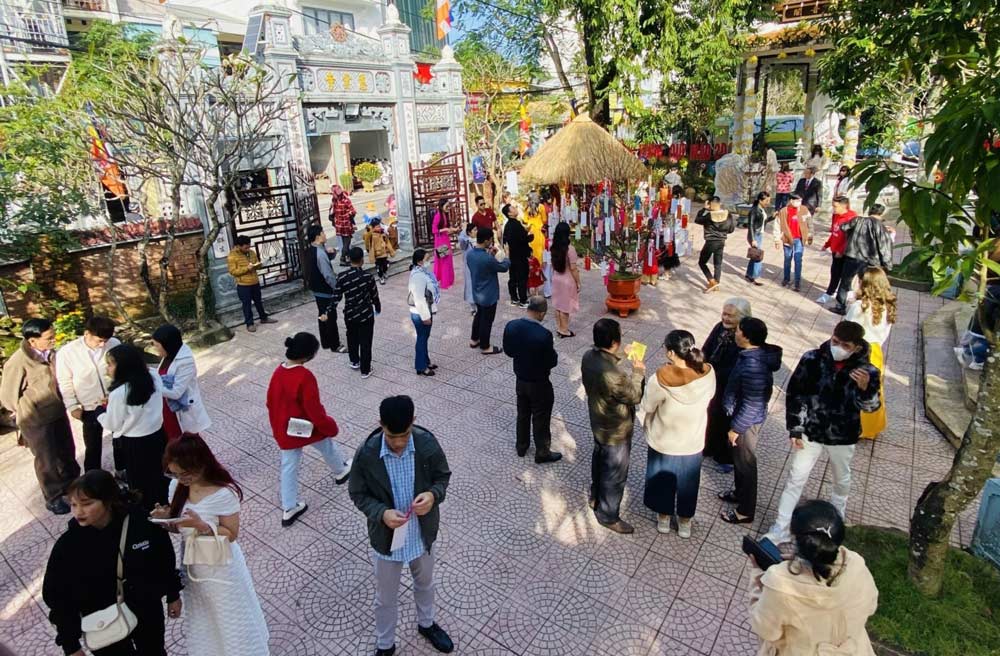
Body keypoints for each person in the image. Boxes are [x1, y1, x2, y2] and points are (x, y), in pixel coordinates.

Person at [348, 396, 454, 656]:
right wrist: (381, 513)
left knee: (425, 583)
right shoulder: (367, 453)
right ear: (380, 424)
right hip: (387, 539)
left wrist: (432, 495)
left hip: (421, 533)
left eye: (404, 435)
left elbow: (443, 477)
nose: (398, 443)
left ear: (413, 423)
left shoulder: (427, 444)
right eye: (391, 435)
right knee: (385, 598)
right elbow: (358, 494)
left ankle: (427, 624)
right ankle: (385, 644)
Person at [153, 434, 269, 655]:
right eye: (174, 473)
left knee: (231, 615)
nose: (180, 478)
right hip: (193, 562)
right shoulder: (176, 487)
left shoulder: (224, 493)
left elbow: (231, 533)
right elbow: (180, 525)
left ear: (201, 464)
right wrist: (166, 518)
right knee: (204, 613)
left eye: (184, 473)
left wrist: (202, 526)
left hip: (221, 567)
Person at [43, 470, 181, 656]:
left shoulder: (139, 524)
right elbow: (58, 597)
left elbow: (163, 558)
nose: (78, 511)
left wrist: (172, 593)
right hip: (102, 623)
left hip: (146, 612)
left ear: (108, 500)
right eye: (74, 505)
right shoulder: (68, 546)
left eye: (87, 503)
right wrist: (71, 645)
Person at [766, 321, 881, 544]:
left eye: (844, 345)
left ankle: (837, 521)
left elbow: (871, 407)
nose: (836, 347)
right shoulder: (812, 359)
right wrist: (796, 428)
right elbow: (796, 394)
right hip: (811, 430)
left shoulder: (867, 371)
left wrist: (866, 389)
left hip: (842, 435)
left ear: (856, 347)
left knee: (841, 478)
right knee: (796, 477)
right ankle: (780, 527)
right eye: (835, 341)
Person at [749, 500, 879, 655]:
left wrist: (759, 578)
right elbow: (871, 606)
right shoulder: (856, 563)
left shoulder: (780, 583)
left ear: (795, 537)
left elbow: (765, 630)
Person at [266, 333, 352, 526]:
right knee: (326, 445)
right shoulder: (305, 376)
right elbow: (314, 409)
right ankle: (340, 470)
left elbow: (269, 401)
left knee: (289, 467)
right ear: (308, 356)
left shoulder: (278, 371)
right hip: (306, 426)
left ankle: (290, 507)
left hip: (284, 427)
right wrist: (329, 426)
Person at [639, 329, 714, 539]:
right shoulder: (708, 372)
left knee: (662, 479)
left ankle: (663, 517)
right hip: (693, 440)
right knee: (688, 482)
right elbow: (711, 394)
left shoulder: (660, 378)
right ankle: (685, 522)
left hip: (665, 440)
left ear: (671, 353)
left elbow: (647, 405)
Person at [1, 318, 81, 513]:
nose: (53, 340)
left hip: (56, 411)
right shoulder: (18, 362)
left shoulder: (52, 354)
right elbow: (7, 396)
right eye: (49, 338)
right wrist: (29, 407)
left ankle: (73, 485)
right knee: (46, 458)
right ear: (32, 341)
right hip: (35, 418)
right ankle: (53, 496)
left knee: (66, 450)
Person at [581, 319, 646, 534]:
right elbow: (634, 396)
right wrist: (638, 373)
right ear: (615, 341)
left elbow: (606, 374)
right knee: (615, 474)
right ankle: (608, 515)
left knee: (599, 460)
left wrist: (619, 357)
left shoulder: (589, 356)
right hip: (615, 429)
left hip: (598, 422)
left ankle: (595, 497)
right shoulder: (613, 375)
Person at [719, 317, 782, 524]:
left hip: (745, 422)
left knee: (746, 464)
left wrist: (736, 428)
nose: (734, 332)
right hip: (742, 417)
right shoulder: (751, 355)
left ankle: (745, 511)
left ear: (746, 336)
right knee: (739, 460)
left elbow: (753, 402)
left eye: (738, 330)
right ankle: (739, 493)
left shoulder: (753, 366)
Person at [98, 344, 168, 511]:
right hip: (158, 435)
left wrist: (99, 413)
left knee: (140, 481)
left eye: (111, 364)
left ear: (123, 366)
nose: (107, 368)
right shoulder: (152, 375)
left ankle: (148, 510)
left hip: (135, 443)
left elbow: (112, 424)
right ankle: (164, 502)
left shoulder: (120, 392)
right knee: (158, 473)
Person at [55, 316, 120, 473]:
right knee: (93, 446)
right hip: (89, 406)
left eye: (106, 340)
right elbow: (65, 381)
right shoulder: (67, 353)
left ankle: (121, 471)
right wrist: (72, 406)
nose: (102, 345)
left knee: (119, 440)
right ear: (86, 334)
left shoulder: (115, 344)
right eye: (99, 340)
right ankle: (92, 478)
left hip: (115, 401)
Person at [503, 297, 561, 463]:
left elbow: (508, 351)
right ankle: (542, 452)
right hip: (539, 383)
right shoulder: (544, 335)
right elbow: (552, 361)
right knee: (540, 417)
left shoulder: (511, 326)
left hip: (520, 378)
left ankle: (521, 446)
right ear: (541, 313)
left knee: (523, 413)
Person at [702, 299, 751, 473]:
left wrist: (713, 372)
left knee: (726, 420)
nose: (725, 318)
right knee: (711, 415)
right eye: (724, 313)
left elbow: (738, 366)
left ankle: (725, 457)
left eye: (730, 315)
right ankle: (708, 447)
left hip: (730, 386)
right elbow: (707, 348)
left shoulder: (745, 335)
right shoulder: (719, 327)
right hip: (712, 379)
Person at [847, 267, 896, 439]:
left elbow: (847, 331)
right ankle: (871, 427)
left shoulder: (859, 307)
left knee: (853, 385)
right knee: (873, 387)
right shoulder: (886, 306)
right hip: (876, 351)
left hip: (859, 351)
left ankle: (854, 425)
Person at [325, 247, 381, 378]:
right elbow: (374, 295)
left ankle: (354, 361)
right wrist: (377, 307)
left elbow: (336, 296)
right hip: (365, 314)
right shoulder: (368, 277)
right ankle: (365, 369)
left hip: (350, 313)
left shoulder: (342, 277)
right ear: (362, 260)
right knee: (366, 341)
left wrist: (328, 310)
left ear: (349, 259)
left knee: (352, 337)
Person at [832, 203, 894, 315]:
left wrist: (851, 233)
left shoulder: (858, 220)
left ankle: (840, 306)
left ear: (870, 211)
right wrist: (887, 264)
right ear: (881, 213)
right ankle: (864, 306)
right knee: (867, 284)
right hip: (869, 260)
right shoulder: (881, 227)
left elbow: (843, 227)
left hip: (852, 256)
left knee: (845, 281)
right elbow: (884, 247)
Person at [151, 325, 211, 440]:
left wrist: (152, 384)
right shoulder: (168, 355)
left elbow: (176, 392)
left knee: (184, 445)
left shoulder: (185, 361)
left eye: (157, 346)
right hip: (166, 407)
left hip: (179, 409)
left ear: (167, 344)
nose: (156, 349)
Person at [466, 227, 510, 355]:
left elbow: (483, 267)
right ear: (486, 240)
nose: (491, 242)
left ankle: (474, 339)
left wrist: (490, 255)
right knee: (487, 320)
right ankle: (485, 346)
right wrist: (506, 255)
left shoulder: (470, 254)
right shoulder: (487, 258)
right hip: (488, 294)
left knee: (479, 315)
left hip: (477, 291)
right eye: (490, 239)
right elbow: (503, 267)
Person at [305, 223, 346, 354]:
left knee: (322, 315)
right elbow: (328, 275)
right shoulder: (320, 254)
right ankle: (335, 345)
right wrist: (337, 288)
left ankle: (326, 342)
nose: (325, 234)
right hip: (324, 291)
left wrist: (331, 253)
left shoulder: (313, 249)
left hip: (317, 289)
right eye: (323, 233)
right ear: (318, 236)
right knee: (330, 316)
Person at [226, 236, 276, 333]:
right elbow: (233, 271)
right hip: (243, 285)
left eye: (249, 246)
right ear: (239, 246)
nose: (248, 248)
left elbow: (256, 264)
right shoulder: (232, 256)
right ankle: (249, 323)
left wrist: (259, 265)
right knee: (247, 304)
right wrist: (247, 268)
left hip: (255, 282)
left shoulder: (251, 252)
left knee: (258, 301)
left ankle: (264, 318)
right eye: (246, 247)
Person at [816, 196, 857, 305]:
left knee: (839, 273)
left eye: (835, 206)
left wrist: (841, 250)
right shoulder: (837, 216)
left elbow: (849, 238)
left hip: (845, 252)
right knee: (835, 271)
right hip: (835, 250)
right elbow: (835, 233)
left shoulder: (851, 218)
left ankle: (830, 293)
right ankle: (843, 290)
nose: (834, 208)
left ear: (844, 206)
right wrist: (827, 244)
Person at [408, 250, 441, 377]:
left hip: (425, 310)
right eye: (427, 259)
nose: (429, 261)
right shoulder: (418, 276)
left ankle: (426, 361)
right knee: (422, 338)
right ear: (419, 261)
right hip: (421, 312)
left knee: (424, 338)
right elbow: (419, 298)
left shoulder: (422, 272)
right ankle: (421, 366)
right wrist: (425, 316)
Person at [695, 196, 736, 293]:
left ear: (710, 204)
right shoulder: (728, 215)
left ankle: (712, 281)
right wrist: (722, 233)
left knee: (702, 262)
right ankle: (716, 284)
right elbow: (731, 230)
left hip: (710, 242)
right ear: (719, 203)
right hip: (721, 242)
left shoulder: (709, 216)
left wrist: (704, 209)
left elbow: (697, 220)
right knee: (718, 264)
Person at [775, 194, 812, 291]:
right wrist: (777, 239)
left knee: (798, 260)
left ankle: (797, 282)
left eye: (800, 201)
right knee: (787, 259)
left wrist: (810, 235)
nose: (799, 203)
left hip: (799, 239)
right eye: (797, 200)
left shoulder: (804, 210)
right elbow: (777, 226)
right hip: (787, 239)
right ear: (791, 200)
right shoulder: (783, 211)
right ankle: (786, 279)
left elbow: (810, 223)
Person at [550, 222, 581, 338]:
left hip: (556, 278)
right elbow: (573, 268)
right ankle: (564, 330)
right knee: (565, 307)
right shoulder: (570, 249)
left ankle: (559, 327)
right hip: (567, 280)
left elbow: (553, 264)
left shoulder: (553, 247)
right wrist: (578, 282)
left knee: (558, 305)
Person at [501, 203, 532, 307]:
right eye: (513, 208)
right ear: (509, 213)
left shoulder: (508, 225)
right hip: (520, 255)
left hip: (512, 255)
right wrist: (530, 237)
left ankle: (514, 298)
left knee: (513, 277)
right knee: (522, 277)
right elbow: (522, 239)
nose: (515, 209)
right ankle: (523, 300)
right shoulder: (515, 225)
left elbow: (506, 241)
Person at [431, 199, 458, 290]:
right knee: (444, 260)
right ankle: (445, 282)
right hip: (440, 240)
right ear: (441, 206)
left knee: (448, 259)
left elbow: (445, 227)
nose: (448, 208)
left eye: (448, 206)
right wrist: (445, 230)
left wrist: (452, 229)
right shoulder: (438, 216)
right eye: (446, 206)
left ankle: (447, 280)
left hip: (445, 239)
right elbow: (434, 230)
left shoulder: (445, 215)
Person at [745, 191, 770, 286]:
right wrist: (753, 239)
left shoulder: (762, 209)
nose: (768, 203)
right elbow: (750, 225)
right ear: (760, 200)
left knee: (754, 255)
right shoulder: (754, 210)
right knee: (758, 257)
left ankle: (749, 274)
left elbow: (763, 221)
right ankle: (755, 276)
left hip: (759, 233)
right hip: (755, 235)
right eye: (766, 201)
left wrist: (772, 217)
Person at [330, 184, 357, 265]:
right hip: (346, 224)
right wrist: (348, 214)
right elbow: (353, 211)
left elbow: (332, 212)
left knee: (345, 241)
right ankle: (342, 259)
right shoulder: (345, 200)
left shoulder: (334, 200)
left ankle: (348, 258)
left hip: (338, 225)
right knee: (347, 242)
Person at [365, 218, 396, 285]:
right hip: (377, 254)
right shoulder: (371, 235)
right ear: (373, 228)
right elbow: (366, 238)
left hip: (384, 253)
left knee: (385, 265)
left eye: (379, 226)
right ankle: (381, 277)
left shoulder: (383, 234)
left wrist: (391, 251)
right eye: (377, 227)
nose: (379, 228)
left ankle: (384, 272)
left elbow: (387, 243)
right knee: (378, 267)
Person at [457, 223, 477, 314]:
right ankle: (473, 307)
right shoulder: (465, 242)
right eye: (475, 230)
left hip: (478, 267)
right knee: (470, 285)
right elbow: (461, 239)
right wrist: (464, 230)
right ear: (469, 232)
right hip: (469, 268)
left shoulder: (478, 241)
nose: (477, 231)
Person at [524, 195, 547, 263]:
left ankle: (533, 268)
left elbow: (525, 220)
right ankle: (540, 267)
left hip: (531, 231)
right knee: (540, 251)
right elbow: (544, 219)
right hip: (539, 232)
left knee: (532, 250)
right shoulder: (541, 207)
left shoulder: (527, 208)